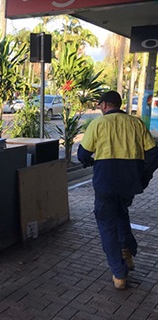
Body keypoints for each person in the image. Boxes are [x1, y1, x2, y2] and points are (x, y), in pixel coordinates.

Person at [78, 90, 158, 290]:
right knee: (121, 213)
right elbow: (154, 154)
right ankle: (128, 252)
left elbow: (82, 154)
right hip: (129, 185)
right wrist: (144, 177)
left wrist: (89, 161)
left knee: (106, 225)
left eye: (99, 105)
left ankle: (119, 273)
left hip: (106, 182)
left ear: (105, 105)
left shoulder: (98, 124)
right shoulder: (136, 123)